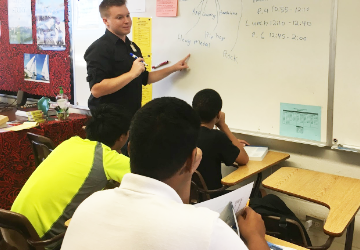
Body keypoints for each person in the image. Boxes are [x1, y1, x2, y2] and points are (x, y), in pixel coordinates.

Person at [61, 97, 269, 250]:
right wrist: (255, 237)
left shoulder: (88, 205)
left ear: (130, 150)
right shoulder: (207, 230)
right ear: (191, 160)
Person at [11, 104, 131, 244]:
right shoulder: (108, 158)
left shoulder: (70, 142)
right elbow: (150, 179)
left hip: (13, 228)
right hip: (42, 240)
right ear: (122, 137)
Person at [84, 0, 189, 118]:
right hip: (109, 120)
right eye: (119, 17)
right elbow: (97, 90)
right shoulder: (99, 48)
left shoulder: (131, 46)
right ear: (105, 21)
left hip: (131, 116)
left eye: (127, 15)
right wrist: (131, 73)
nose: (127, 21)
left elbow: (145, 78)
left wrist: (174, 68)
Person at [192, 89, 249, 192]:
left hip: (189, 199)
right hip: (214, 198)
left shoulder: (185, 133)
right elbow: (244, 159)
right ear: (218, 115)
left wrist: (231, 143)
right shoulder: (217, 137)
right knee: (261, 193)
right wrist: (223, 125)